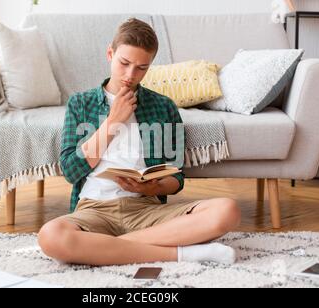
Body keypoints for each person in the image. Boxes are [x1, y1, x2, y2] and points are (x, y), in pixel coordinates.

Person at [38, 18, 241, 266]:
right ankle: (181, 253)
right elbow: (70, 171)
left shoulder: (163, 106)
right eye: (124, 63)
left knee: (226, 210)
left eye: (141, 68)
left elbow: (175, 178)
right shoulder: (80, 103)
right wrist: (112, 122)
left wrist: (150, 188)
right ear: (110, 53)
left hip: (147, 210)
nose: (130, 75)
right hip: (94, 210)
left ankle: (106, 249)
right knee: (50, 236)